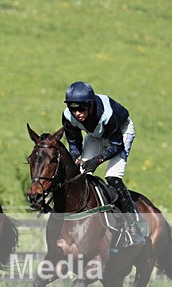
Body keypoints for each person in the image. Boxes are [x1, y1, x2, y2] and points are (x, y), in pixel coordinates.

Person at [61, 81, 146, 246]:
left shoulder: (106, 114)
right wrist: (76, 157)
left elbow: (116, 145)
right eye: (73, 109)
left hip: (121, 133)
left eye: (81, 109)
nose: (77, 113)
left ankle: (134, 226)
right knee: (79, 174)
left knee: (112, 177)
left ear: (91, 105)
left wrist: (96, 160)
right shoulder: (67, 116)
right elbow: (74, 143)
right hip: (95, 135)